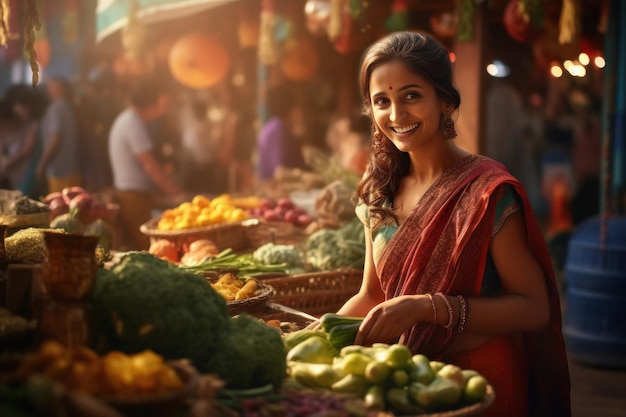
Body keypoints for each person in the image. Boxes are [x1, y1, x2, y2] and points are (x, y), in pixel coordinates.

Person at [333, 32, 570, 416]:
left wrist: (429, 308)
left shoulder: (486, 191)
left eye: (411, 95)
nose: (396, 115)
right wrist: (314, 336)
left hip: (481, 381)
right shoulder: (381, 191)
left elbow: (534, 308)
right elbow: (372, 297)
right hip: (405, 378)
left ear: (444, 100)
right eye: (382, 101)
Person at [108, 77, 185, 250]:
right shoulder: (132, 123)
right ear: (151, 103)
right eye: (163, 102)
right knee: (148, 250)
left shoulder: (130, 120)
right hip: (133, 199)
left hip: (137, 196)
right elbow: (149, 165)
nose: (165, 108)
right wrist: (174, 193)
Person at [0, 84, 48, 198]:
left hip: (28, 175)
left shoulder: (33, 125)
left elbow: (27, 149)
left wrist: (8, 164)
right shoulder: (9, 124)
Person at [36, 77, 82, 193]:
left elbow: (55, 139)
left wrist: (42, 164)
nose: (48, 89)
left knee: (59, 207)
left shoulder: (56, 109)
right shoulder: (70, 107)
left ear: (59, 88)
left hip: (58, 171)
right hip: (74, 169)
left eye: (51, 86)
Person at [257, 85, 306, 181]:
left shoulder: (272, 126)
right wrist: (305, 176)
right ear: (290, 109)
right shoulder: (278, 128)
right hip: (277, 193)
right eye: (297, 108)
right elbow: (279, 172)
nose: (300, 113)